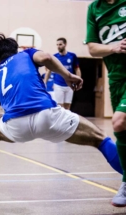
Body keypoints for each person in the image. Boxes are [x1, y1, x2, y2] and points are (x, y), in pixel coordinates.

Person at [0, 34, 122, 190]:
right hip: (47, 116)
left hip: (16, 126)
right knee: (100, 139)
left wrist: (4, 120)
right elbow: (46, 57)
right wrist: (67, 75)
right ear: (16, 50)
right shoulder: (26, 54)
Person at [85, 0, 126, 207]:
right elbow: (92, 48)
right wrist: (114, 47)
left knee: (119, 121)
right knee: (122, 131)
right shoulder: (94, 8)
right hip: (116, 77)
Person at [45, 38, 81, 110]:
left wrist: (78, 80)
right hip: (58, 85)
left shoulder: (72, 56)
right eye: (57, 45)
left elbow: (77, 69)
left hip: (69, 85)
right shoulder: (54, 56)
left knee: (67, 107)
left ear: (65, 44)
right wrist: (45, 82)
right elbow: (48, 71)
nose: (58, 46)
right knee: (60, 107)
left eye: (60, 44)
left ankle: (67, 121)